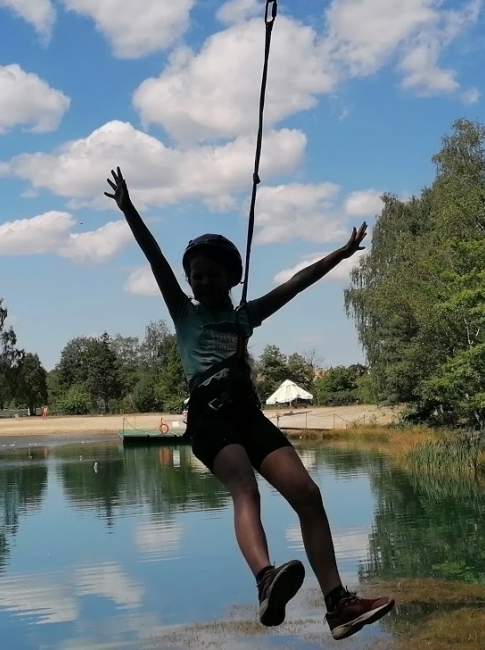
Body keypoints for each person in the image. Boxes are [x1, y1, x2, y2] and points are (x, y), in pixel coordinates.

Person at [106, 167, 394, 641]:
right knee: (246, 489)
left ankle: (338, 604)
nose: (202, 281)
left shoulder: (245, 315)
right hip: (209, 416)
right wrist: (129, 209)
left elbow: (296, 284)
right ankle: (265, 579)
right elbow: (154, 257)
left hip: (247, 413)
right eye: (196, 275)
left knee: (307, 493)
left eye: (212, 274)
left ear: (231, 278)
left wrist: (341, 254)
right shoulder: (184, 312)